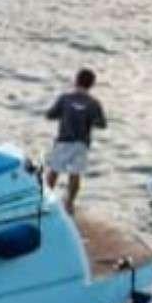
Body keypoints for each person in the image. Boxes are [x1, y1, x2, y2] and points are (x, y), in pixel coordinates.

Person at [44, 68, 107, 209]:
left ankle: (45, 198)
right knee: (75, 174)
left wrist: (62, 114)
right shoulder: (94, 103)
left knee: (54, 170)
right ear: (91, 85)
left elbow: (50, 115)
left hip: (64, 140)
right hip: (82, 143)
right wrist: (90, 119)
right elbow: (102, 124)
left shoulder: (65, 98)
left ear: (76, 81)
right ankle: (69, 203)